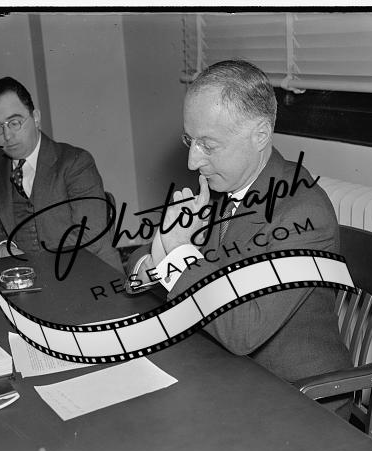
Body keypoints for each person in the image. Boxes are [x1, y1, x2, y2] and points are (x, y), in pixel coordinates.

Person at [127, 60, 351, 411]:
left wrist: (179, 250)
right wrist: (163, 246)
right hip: (224, 371)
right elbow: (137, 261)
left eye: (208, 145)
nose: (191, 162)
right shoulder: (225, 186)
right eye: (190, 140)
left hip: (296, 398)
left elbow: (242, 331)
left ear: (260, 134)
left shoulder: (303, 213)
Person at [0, 77, 122, 272]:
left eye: (15, 123)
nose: (7, 136)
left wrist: (34, 266)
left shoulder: (76, 162)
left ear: (36, 118)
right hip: (27, 281)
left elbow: (89, 237)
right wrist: (2, 248)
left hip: (90, 274)